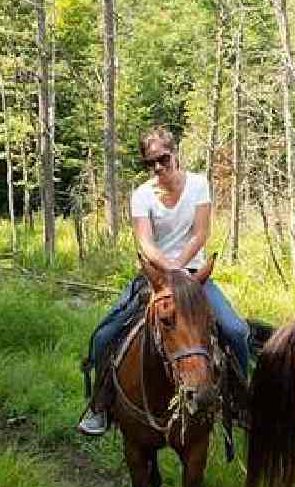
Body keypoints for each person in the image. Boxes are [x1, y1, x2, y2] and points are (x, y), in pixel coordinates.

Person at [77, 127, 250, 435]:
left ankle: (240, 402)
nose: (157, 167)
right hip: (155, 276)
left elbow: (201, 233)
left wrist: (180, 267)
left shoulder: (198, 185)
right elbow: (145, 242)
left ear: (175, 154)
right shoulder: (142, 195)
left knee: (236, 331)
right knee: (104, 336)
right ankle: (100, 406)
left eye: (163, 159)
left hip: (194, 277)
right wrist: (167, 269)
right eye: (150, 162)